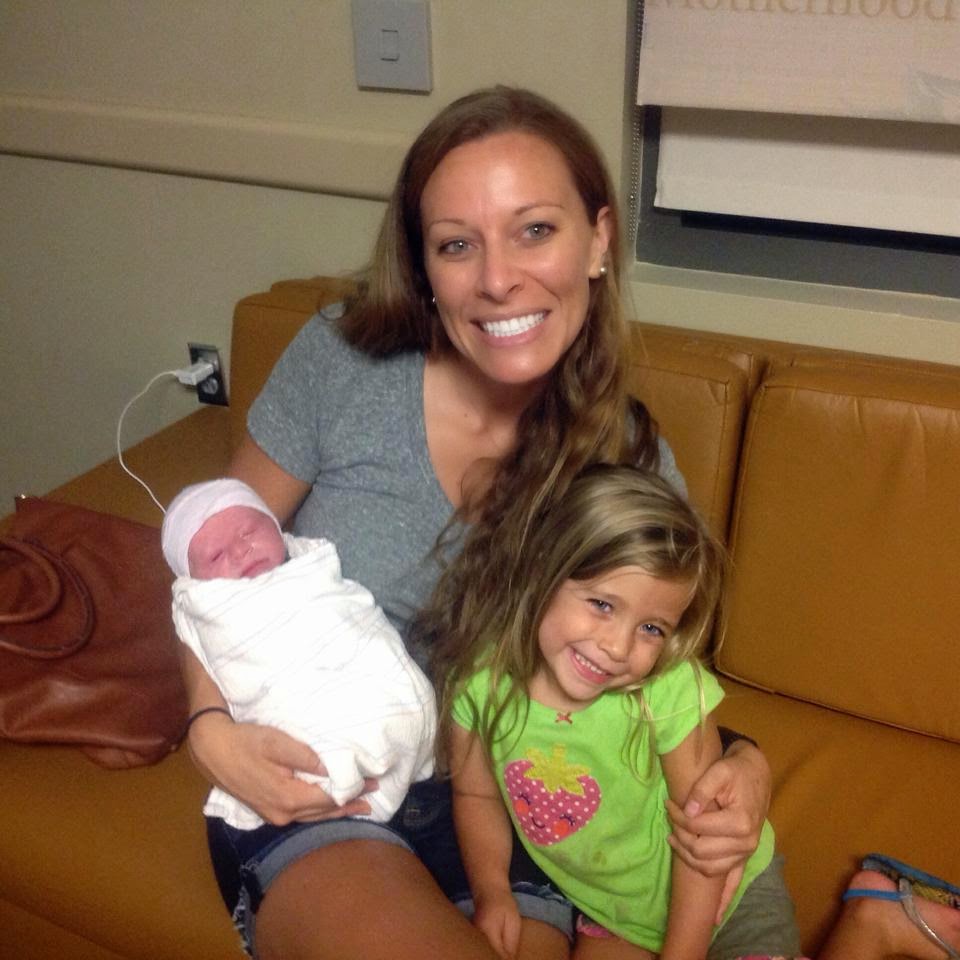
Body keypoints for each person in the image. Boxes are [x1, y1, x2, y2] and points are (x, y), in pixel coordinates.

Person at [180, 85, 777, 960]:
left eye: (535, 229)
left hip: (514, 808)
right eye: (457, 244)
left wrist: (749, 763)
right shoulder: (343, 363)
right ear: (423, 267)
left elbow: (662, 673)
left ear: (599, 241)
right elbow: (208, 563)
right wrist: (208, 730)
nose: (498, 279)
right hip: (321, 782)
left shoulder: (628, 461)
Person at [427, 464, 802, 960]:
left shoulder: (668, 690)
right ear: (541, 570)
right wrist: (493, 891)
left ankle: (870, 922)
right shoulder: (478, 682)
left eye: (652, 628)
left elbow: (703, 837)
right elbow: (475, 793)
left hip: (728, 897)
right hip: (612, 913)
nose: (619, 647)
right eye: (602, 604)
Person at [160, 477, 436, 827]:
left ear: (276, 527)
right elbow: (194, 627)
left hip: (425, 731)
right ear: (194, 583)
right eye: (216, 555)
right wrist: (207, 728)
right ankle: (350, 758)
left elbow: (355, 616)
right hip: (291, 761)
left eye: (249, 531)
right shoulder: (212, 606)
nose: (240, 550)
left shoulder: (312, 564)